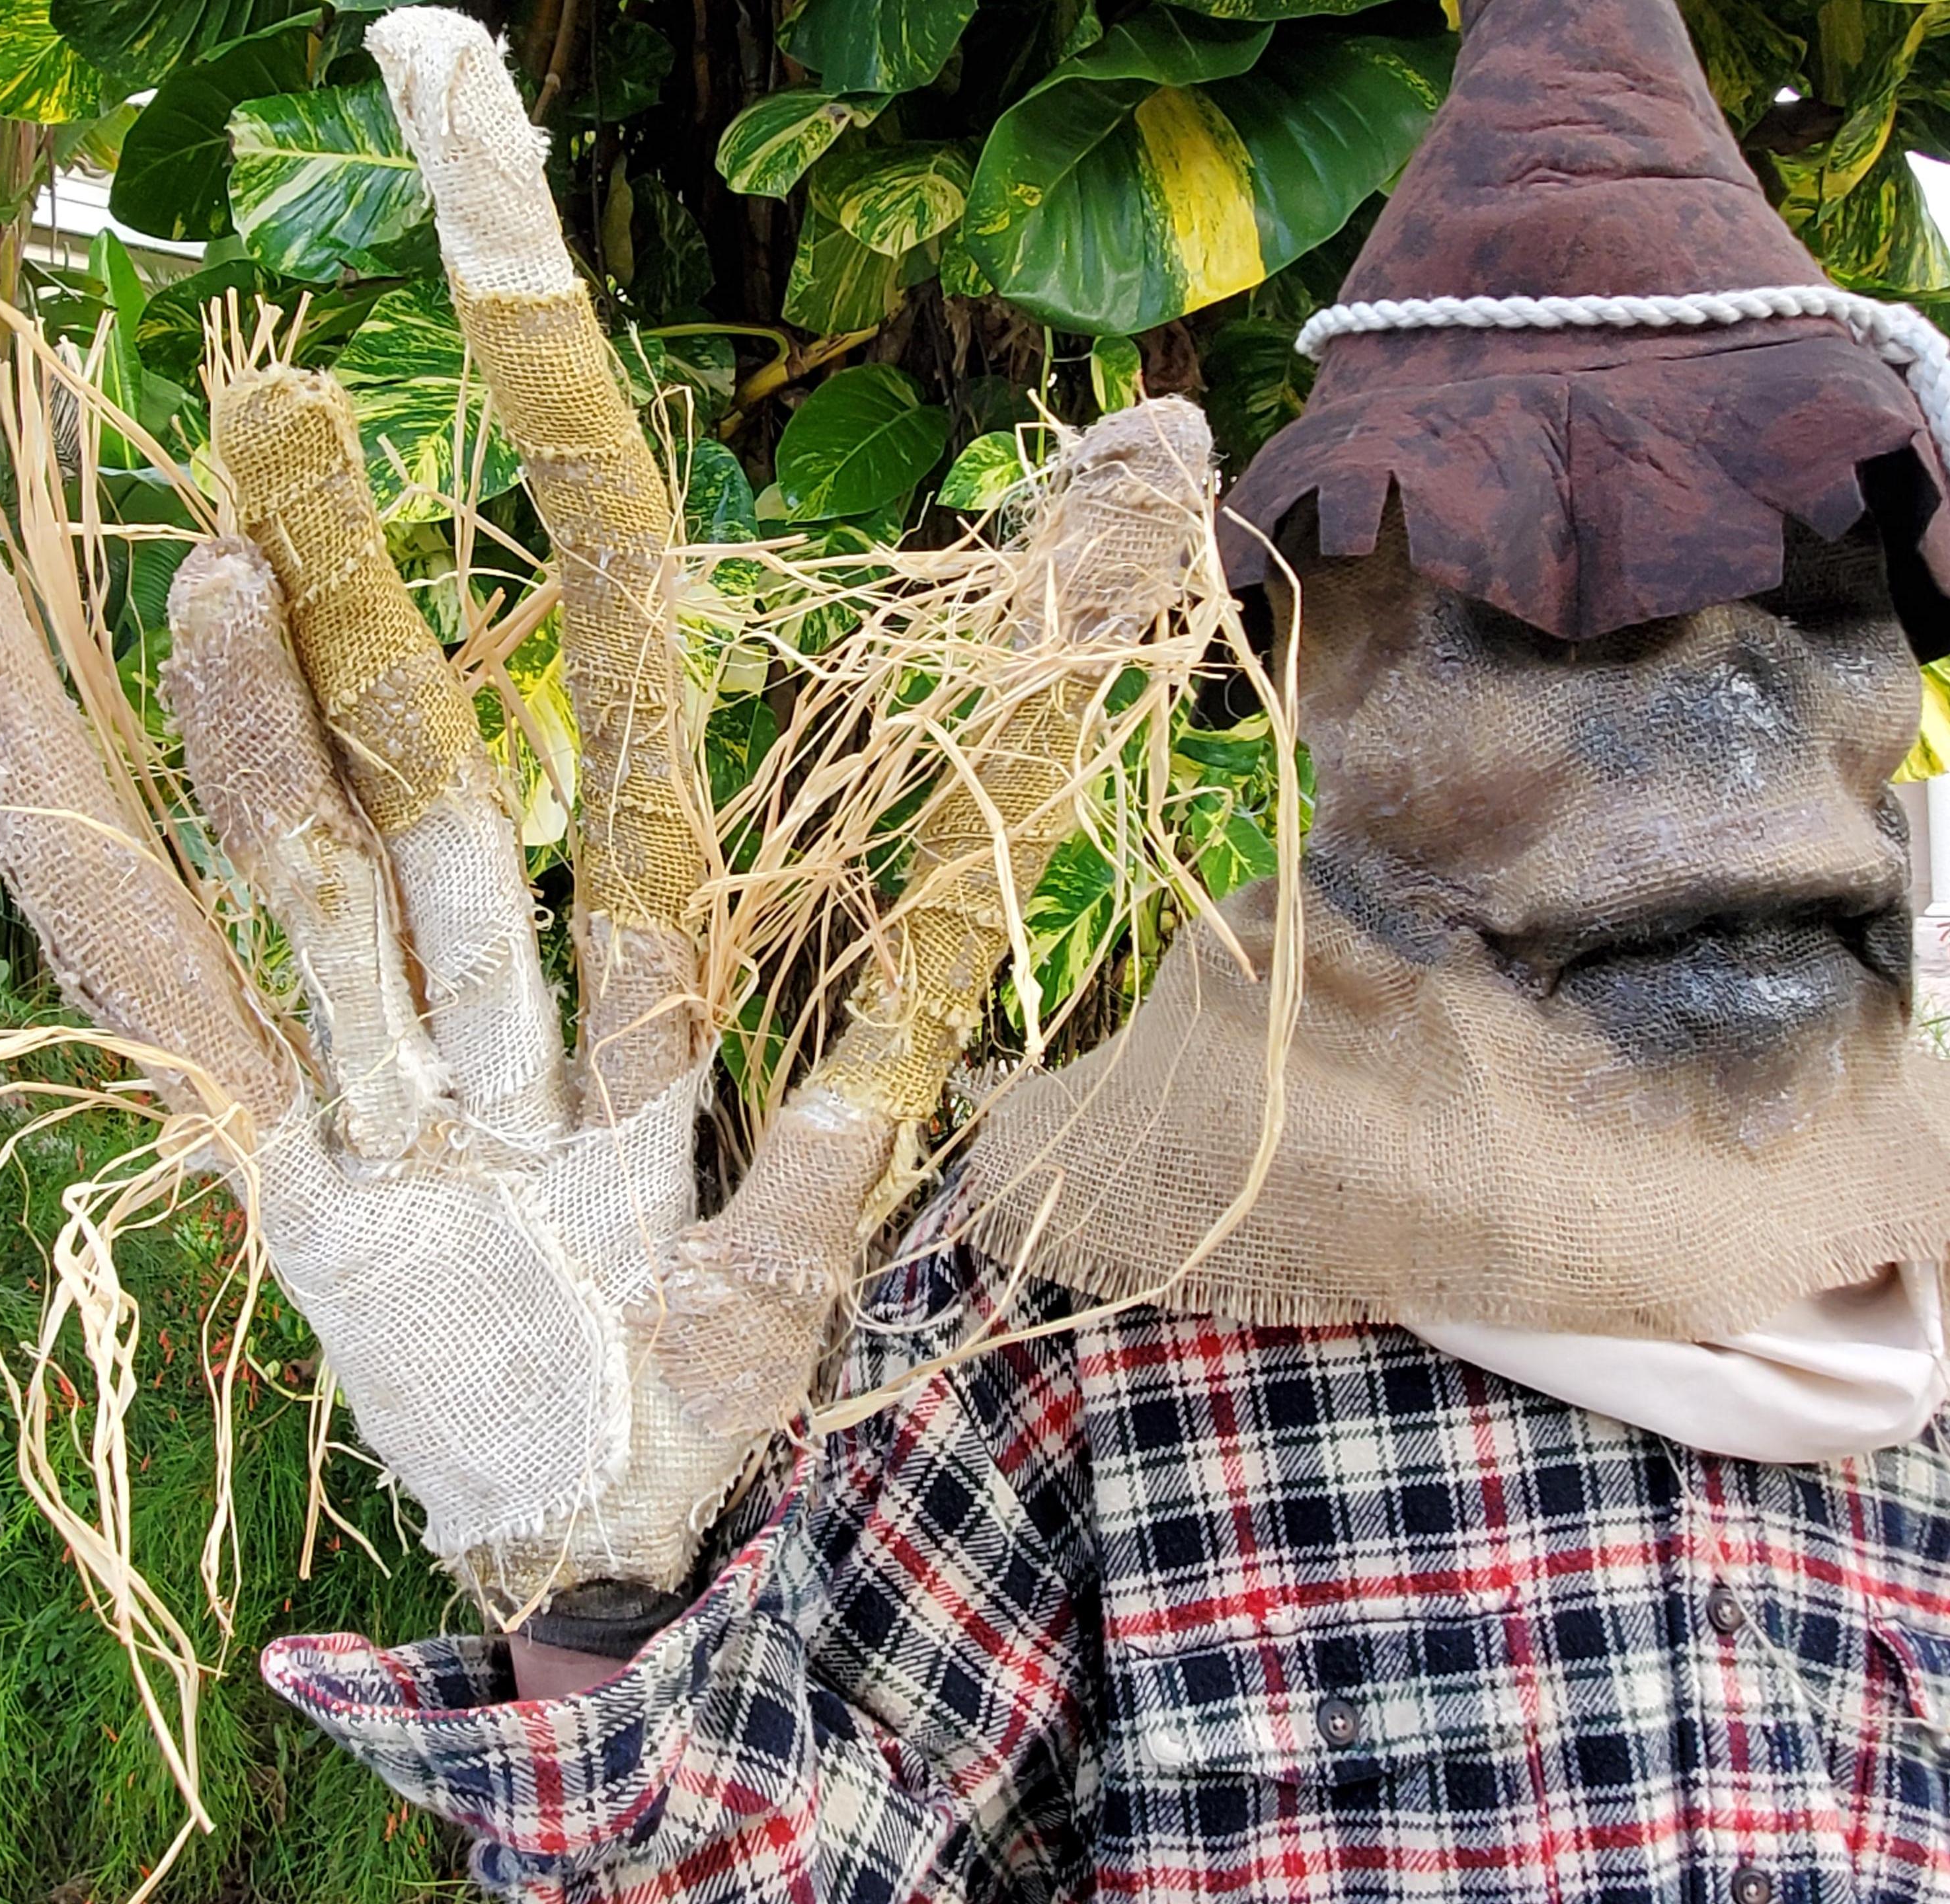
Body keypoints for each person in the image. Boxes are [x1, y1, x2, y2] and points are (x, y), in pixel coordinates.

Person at [253, 3, 1950, 1899]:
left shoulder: (1929, 1237)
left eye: (1820, 602)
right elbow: (821, 1855)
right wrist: (600, 1585)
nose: (1726, 760)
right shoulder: (1089, 1270)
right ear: (1328, 658)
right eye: (1568, 622)